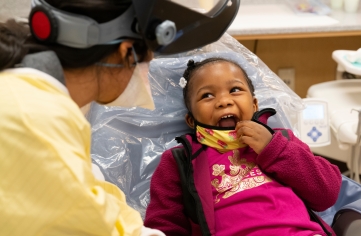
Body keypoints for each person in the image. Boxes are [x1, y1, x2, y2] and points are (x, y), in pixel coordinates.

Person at [0, 0, 238, 235]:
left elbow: (87, 192)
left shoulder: (28, 94)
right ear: (126, 52)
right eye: (149, 58)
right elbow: (87, 222)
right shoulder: (36, 120)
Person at [144, 58, 342, 236]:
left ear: (254, 105)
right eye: (207, 95)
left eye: (235, 90)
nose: (224, 101)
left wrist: (273, 148)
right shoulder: (180, 160)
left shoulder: (281, 140)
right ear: (191, 119)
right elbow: (164, 227)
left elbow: (327, 194)